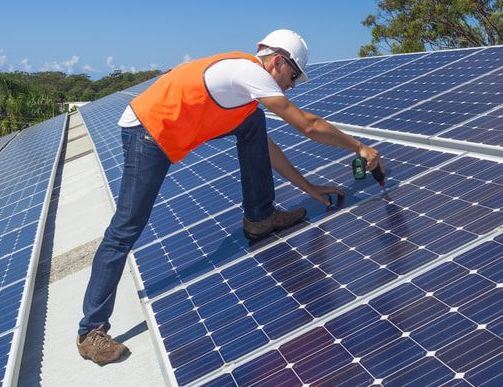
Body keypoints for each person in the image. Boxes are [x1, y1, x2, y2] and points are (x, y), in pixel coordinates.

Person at [77, 29, 383, 365]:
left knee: (253, 124)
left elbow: (267, 149)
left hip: (174, 129)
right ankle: (90, 331)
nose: (293, 84)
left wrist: (309, 187)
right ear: (278, 62)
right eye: (293, 75)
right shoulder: (249, 72)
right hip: (149, 132)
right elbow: (307, 125)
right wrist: (359, 147)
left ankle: (260, 217)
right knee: (126, 227)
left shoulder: (245, 95)